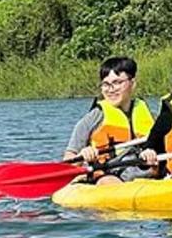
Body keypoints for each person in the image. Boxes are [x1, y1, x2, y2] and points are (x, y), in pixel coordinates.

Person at [63, 56, 156, 185]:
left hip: (147, 176)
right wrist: (83, 154)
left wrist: (152, 151)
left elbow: (165, 147)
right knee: (109, 181)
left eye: (117, 83)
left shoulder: (150, 116)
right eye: (106, 84)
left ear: (132, 83)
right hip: (108, 176)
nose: (111, 89)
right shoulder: (93, 119)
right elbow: (69, 160)